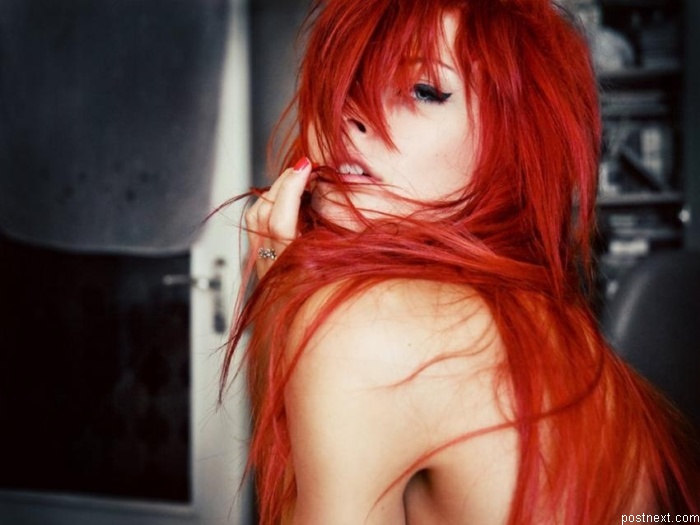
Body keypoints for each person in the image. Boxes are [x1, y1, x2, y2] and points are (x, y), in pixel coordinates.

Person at [221, 0, 699, 523]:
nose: (349, 113)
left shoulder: (365, 327)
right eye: (340, 84)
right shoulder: (547, 329)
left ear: (512, 142)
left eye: (423, 90)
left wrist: (281, 301)